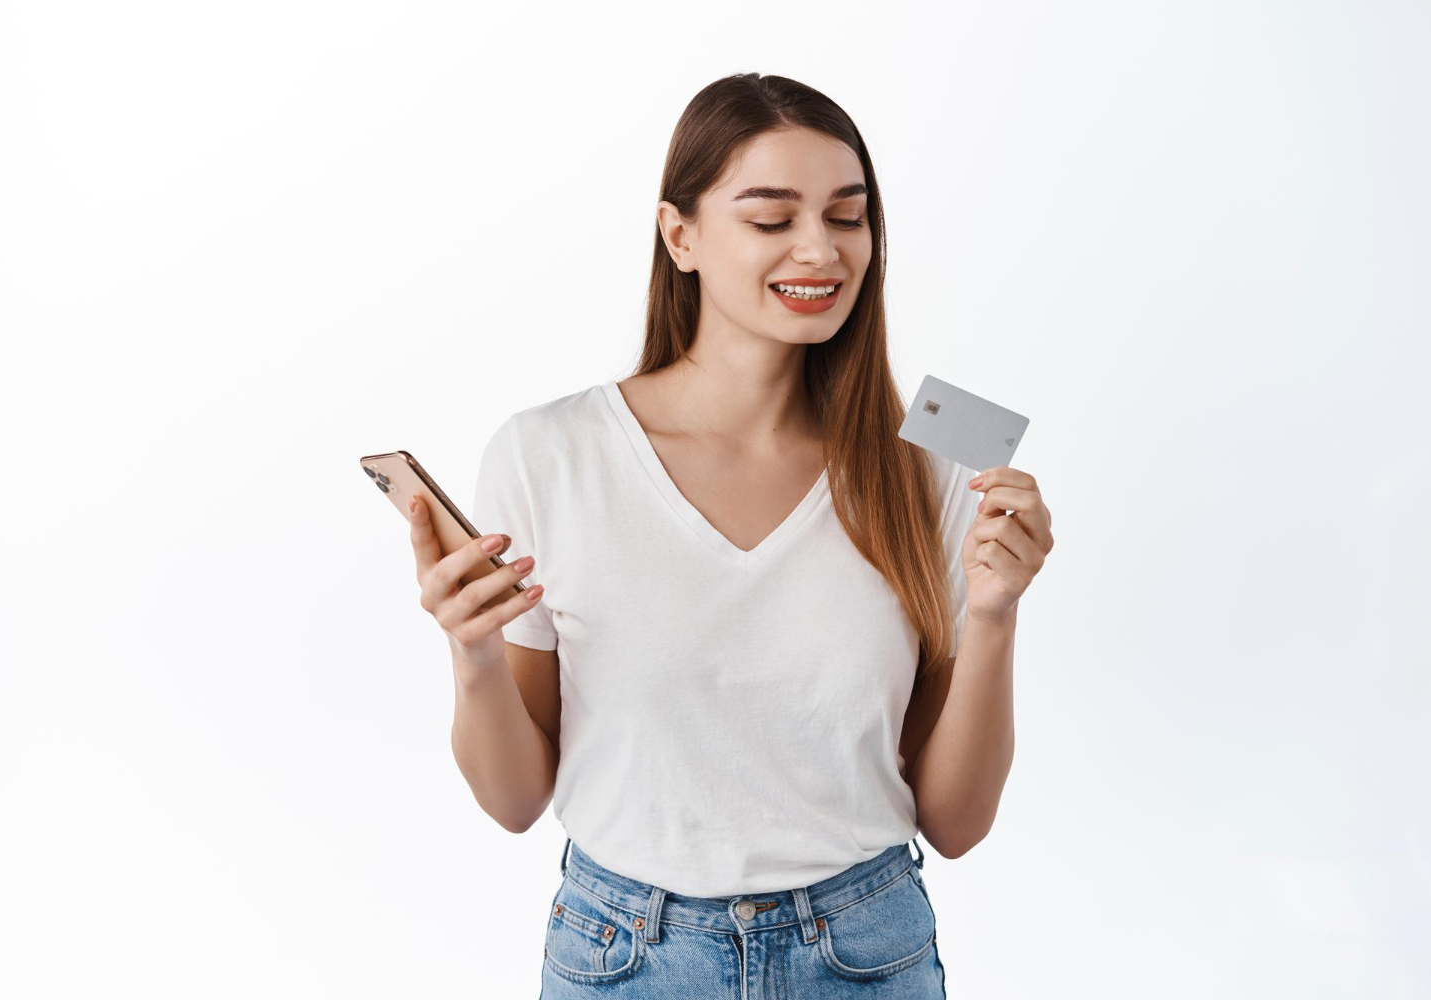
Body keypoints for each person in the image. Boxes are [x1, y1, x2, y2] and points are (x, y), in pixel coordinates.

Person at [407, 72, 1054, 998]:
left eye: (847, 216)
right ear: (680, 236)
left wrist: (994, 615)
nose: (820, 250)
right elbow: (514, 803)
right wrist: (473, 656)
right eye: (771, 218)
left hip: (865, 953)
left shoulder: (932, 459)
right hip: (624, 957)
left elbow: (955, 823)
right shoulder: (550, 454)